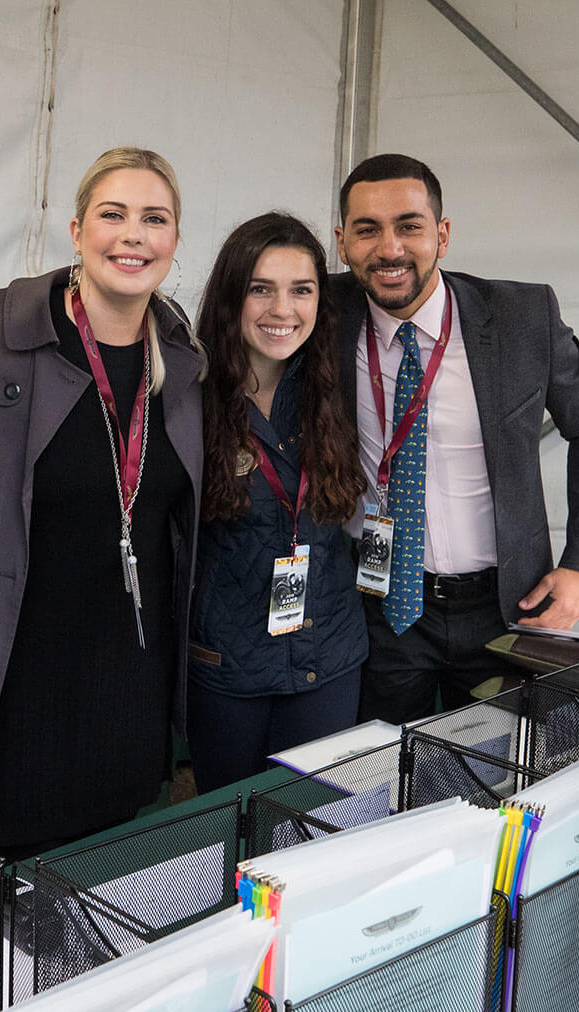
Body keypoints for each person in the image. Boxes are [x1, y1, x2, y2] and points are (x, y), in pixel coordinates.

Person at [0, 147, 202, 864]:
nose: (132, 236)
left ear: (174, 241)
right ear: (76, 230)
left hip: (134, 681)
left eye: (154, 219)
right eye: (113, 215)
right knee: (30, 915)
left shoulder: (185, 360)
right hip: (24, 684)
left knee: (122, 889)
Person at [333, 154, 579, 725]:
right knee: (379, 779)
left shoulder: (522, 316)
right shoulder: (320, 315)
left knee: (500, 777)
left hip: (507, 607)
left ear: (442, 234)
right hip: (376, 607)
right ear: (342, 243)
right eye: (367, 230)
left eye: (409, 226)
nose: (389, 248)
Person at [185, 212, 369, 792]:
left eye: (301, 290)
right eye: (260, 288)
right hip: (228, 666)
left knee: (312, 832)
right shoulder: (187, 394)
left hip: (330, 658)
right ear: (231, 294)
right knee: (231, 838)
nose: (281, 309)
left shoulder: (339, 384)